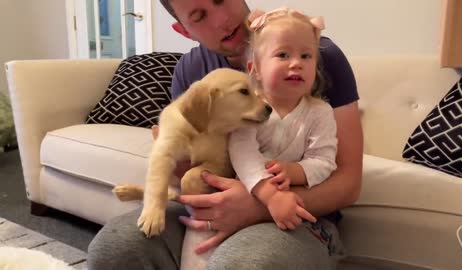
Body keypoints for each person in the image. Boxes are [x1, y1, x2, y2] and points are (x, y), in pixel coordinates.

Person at [87, 1, 363, 269]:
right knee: (116, 248)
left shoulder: (312, 48)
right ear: (184, 31)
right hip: (214, 202)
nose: (221, 19)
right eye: (198, 16)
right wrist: (175, 157)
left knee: (243, 263)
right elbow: (191, 172)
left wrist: (259, 205)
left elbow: (349, 182)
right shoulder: (191, 71)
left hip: (302, 216)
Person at [229, 8, 337, 232]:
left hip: (293, 204)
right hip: (244, 198)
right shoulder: (248, 109)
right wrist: (269, 195)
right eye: (283, 55)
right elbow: (241, 152)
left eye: (306, 56)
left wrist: (294, 170)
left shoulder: (321, 112)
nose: (296, 63)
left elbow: (324, 160)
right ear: (255, 69)